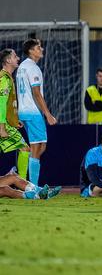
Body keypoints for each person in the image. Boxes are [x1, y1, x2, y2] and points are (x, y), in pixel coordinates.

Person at [16, 39, 57, 186]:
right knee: (38, 147)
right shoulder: (33, 68)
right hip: (33, 112)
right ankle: (32, 186)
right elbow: (36, 93)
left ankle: (25, 180)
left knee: (38, 146)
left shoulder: (21, 67)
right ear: (31, 51)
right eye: (38, 47)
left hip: (23, 111)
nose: (41, 49)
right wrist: (48, 114)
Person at [0, 48, 31, 180]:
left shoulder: (6, 77)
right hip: (3, 124)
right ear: (8, 60)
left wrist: (14, 119)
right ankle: (23, 184)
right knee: (25, 149)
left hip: (7, 122)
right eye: (15, 56)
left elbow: (7, 105)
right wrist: (2, 127)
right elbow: (1, 103)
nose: (18, 58)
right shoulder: (5, 79)